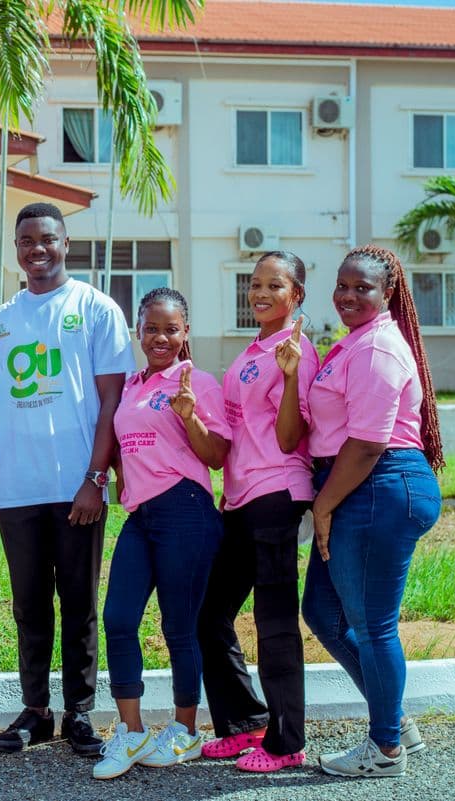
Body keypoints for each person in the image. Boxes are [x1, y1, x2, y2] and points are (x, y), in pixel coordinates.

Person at [0, 202, 134, 756]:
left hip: (76, 485)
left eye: (48, 239)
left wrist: (95, 478)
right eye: (27, 240)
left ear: (65, 243)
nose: (38, 248)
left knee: (79, 602)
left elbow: (112, 402)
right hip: (17, 486)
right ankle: (36, 711)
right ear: (16, 248)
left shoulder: (96, 308)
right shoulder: (3, 320)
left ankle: (80, 712)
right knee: (29, 604)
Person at [296, 244, 444, 778]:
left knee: (373, 624)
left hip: (378, 486)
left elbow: (367, 443)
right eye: (343, 285)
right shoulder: (354, 343)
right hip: (358, 487)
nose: (349, 296)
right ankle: (395, 720)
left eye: (364, 288)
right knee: (323, 612)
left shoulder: (379, 347)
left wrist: (325, 503)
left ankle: (385, 750)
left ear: (388, 293)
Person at [92, 288, 228, 780]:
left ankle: (185, 731)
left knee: (178, 626)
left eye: (172, 329)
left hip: (186, 511)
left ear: (185, 333)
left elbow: (216, 456)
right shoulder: (130, 385)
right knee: (119, 617)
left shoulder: (198, 382)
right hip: (142, 516)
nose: (161, 338)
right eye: (152, 328)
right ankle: (131, 732)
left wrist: (189, 416)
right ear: (138, 332)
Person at [197, 251, 319, 773]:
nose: (261, 293)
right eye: (255, 284)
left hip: (277, 495)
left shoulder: (296, 351)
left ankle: (288, 742)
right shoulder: (253, 350)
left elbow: (292, 438)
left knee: (274, 623)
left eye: (275, 284)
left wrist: (291, 378)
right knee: (210, 612)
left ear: (297, 295)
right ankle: (246, 721)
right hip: (242, 498)